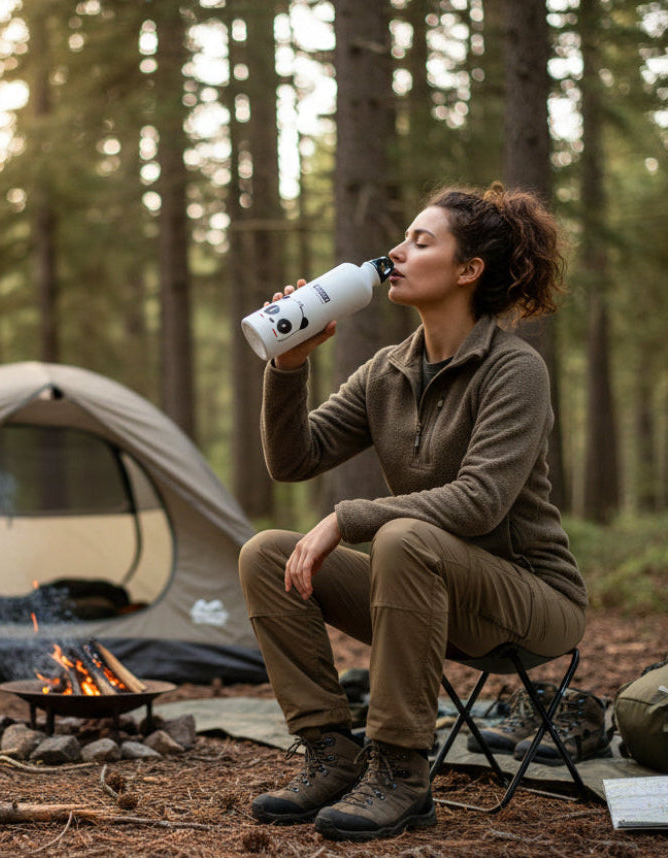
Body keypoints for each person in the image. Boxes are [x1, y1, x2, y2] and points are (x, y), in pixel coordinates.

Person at [238, 183, 588, 842]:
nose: (396, 251)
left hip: (530, 600)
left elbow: (480, 501)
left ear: (467, 271)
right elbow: (293, 459)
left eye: (420, 241)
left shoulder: (515, 369)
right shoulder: (386, 372)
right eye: (402, 238)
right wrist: (287, 367)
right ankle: (331, 755)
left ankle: (399, 771)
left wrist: (347, 518)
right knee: (266, 553)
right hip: (423, 596)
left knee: (401, 537)